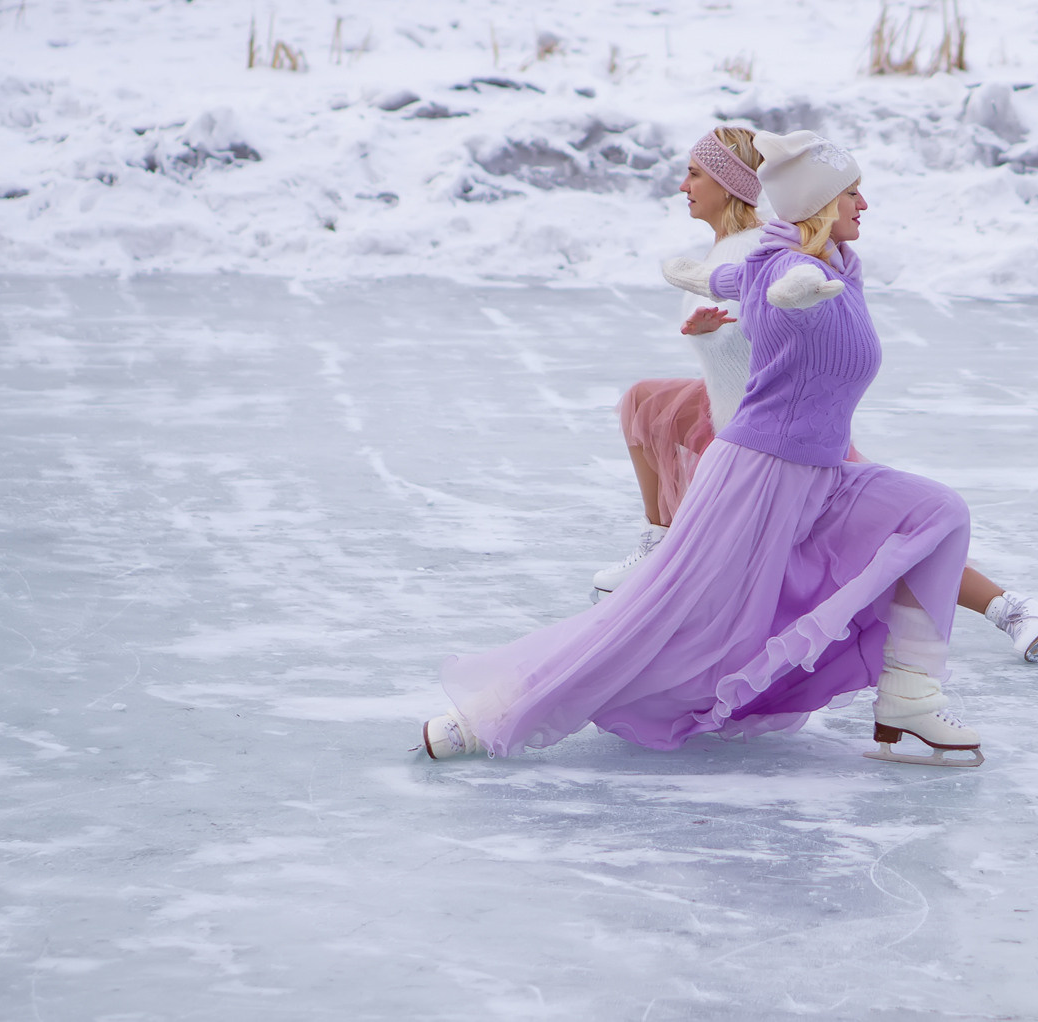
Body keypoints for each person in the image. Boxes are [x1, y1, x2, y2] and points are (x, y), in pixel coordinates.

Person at [421, 132, 987, 767]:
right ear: (821, 203)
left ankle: (909, 703)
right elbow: (778, 284)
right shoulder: (793, 270)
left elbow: (728, 275)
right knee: (660, 624)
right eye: (853, 192)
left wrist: (722, 279)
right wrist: (788, 293)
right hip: (757, 478)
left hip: (820, 475)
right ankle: (485, 717)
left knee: (937, 511)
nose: (865, 203)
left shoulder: (833, 267)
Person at [593, 125, 1038, 665]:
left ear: (725, 182)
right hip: (756, 425)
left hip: (782, 441)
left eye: (694, 173)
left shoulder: (763, 251)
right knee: (644, 402)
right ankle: (660, 552)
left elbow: (774, 340)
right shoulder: (747, 250)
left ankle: (1007, 608)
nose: (683, 185)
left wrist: (722, 332)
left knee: (881, 540)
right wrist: (710, 328)